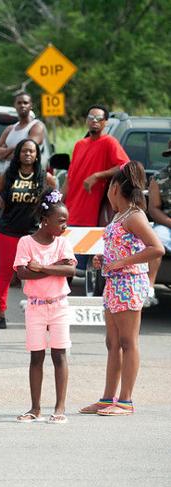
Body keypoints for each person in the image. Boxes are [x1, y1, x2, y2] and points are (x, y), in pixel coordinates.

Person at [80, 161, 164, 416]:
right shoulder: (120, 215)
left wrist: (121, 262)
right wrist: (103, 260)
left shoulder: (136, 216)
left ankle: (125, 401)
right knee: (112, 342)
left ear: (115, 187)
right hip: (114, 282)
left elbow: (157, 248)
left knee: (128, 342)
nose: (106, 193)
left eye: (108, 188)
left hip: (128, 283)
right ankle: (108, 397)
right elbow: (124, 247)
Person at [13, 190, 77, 424]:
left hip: (59, 305)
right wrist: (55, 266)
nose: (65, 225)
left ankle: (60, 407)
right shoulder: (26, 242)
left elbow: (70, 270)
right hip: (35, 307)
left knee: (59, 355)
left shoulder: (63, 242)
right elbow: (22, 273)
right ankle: (35, 407)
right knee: (36, 357)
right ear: (45, 220)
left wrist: (41, 267)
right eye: (61, 221)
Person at [0, 139, 56, 329]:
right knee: (5, 274)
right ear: (18, 153)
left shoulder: (44, 177)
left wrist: (46, 213)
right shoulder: (7, 176)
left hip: (34, 233)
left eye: (32, 151)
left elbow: (54, 198)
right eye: (24, 151)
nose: (28, 154)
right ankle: (0, 313)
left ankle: (44, 315)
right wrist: (5, 207)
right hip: (8, 230)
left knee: (39, 272)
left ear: (37, 155)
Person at [64, 105, 130, 228]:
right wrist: (58, 203)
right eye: (91, 117)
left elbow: (125, 165)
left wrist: (97, 175)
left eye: (99, 118)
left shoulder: (109, 142)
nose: (94, 120)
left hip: (89, 213)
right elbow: (69, 179)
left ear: (105, 122)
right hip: (69, 211)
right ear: (86, 121)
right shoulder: (79, 144)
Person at [0, 92, 46, 172]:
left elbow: (26, 154)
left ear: (31, 105)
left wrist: (4, 153)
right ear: (15, 105)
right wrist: (13, 149)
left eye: (25, 103)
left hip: (26, 178)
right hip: (8, 176)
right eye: (19, 103)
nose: (22, 105)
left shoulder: (36, 126)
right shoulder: (10, 129)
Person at [146, 140, 171, 306]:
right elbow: (154, 209)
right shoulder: (158, 178)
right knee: (156, 241)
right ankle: (148, 289)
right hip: (166, 223)